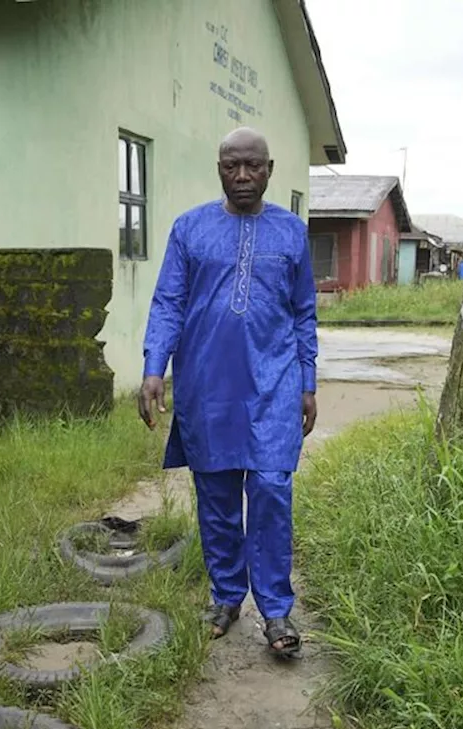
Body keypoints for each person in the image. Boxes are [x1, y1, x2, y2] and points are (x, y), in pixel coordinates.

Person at [138, 127, 318, 658]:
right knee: (216, 494)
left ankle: (276, 608)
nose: (242, 176)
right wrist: (154, 368)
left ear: (270, 169)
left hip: (274, 383)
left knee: (269, 490)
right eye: (231, 166)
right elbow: (168, 302)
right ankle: (225, 597)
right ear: (219, 169)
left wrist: (307, 380)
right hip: (207, 383)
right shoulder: (190, 229)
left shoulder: (291, 234)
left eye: (253, 166)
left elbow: (304, 312)